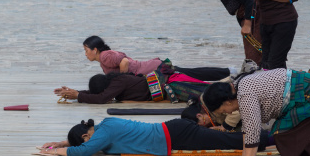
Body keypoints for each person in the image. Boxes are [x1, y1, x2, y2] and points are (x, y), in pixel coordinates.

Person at [202, 69, 310, 156]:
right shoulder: (238, 86)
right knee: (287, 133)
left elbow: (252, 132)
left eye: (224, 111)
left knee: (285, 134)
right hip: (304, 94)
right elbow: (247, 132)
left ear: (227, 102)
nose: (229, 112)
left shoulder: (245, 95)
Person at [38, 115, 274, 156]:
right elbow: (85, 143)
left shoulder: (102, 134)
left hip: (176, 135)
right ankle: (273, 136)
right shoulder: (104, 125)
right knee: (226, 139)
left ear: (85, 136)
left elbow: (85, 151)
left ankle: (274, 138)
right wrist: (64, 142)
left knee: (230, 141)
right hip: (174, 131)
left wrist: (58, 152)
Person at [55, 61, 231, 105]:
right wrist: (75, 92)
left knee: (208, 92)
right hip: (170, 80)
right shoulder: (115, 81)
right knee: (205, 84)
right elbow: (99, 94)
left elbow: (102, 98)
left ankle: (233, 84)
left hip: (172, 85)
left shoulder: (118, 83)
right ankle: (231, 80)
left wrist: (78, 95)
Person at [82, 35, 230, 79]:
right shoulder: (104, 59)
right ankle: (228, 72)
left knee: (191, 74)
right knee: (191, 73)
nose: (85, 54)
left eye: (86, 50)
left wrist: (123, 80)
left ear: (95, 50)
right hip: (154, 67)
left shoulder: (105, 56)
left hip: (156, 69)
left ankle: (229, 72)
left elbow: (124, 61)